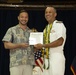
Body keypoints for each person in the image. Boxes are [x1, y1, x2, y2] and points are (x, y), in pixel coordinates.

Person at [34, 6, 66, 75]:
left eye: (50, 12)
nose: (47, 14)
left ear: (55, 14)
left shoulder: (59, 25)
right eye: (46, 12)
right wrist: (36, 46)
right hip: (46, 58)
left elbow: (60, 41)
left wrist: (43, 45)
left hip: (56, 57)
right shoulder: (46, 29)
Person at [2, 10, 35, 75]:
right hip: (16, 63)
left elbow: (34, 48)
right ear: (18, 18)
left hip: (29, 63)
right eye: (22, 17)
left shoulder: (31, 32)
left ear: (28, 18)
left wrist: (37, 47)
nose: (24, 19)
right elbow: (6, 45)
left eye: (26, 17)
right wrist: (19, 45)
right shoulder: (12, 30)